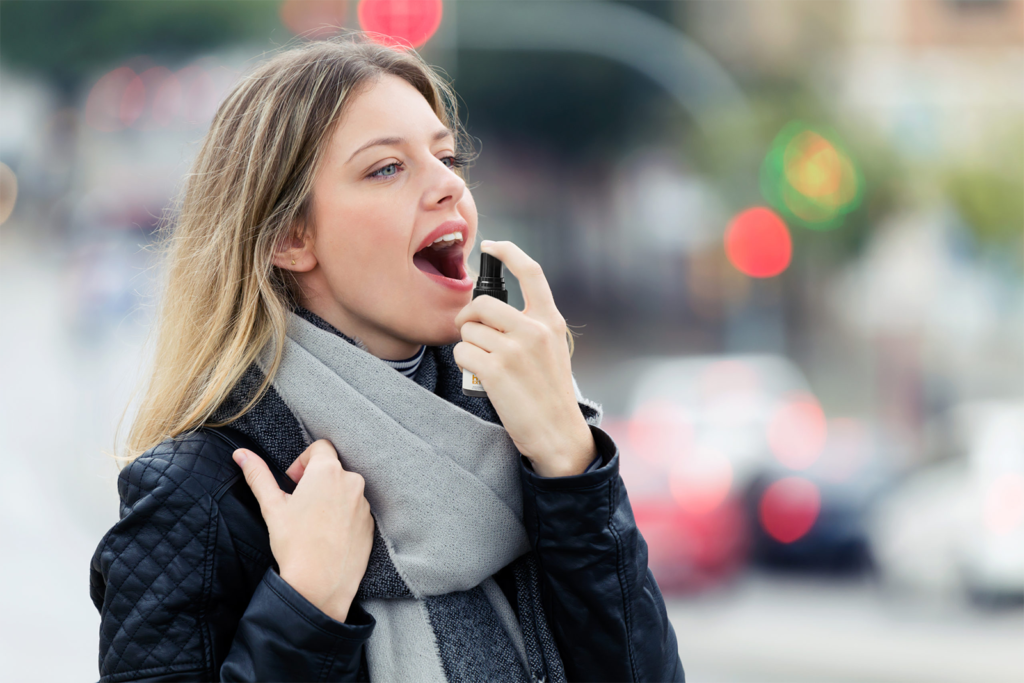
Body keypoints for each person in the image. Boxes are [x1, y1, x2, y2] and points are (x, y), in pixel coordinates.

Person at [90, 34, 685, 683]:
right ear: (291, 236)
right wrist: (304, 610)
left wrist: (572, 464)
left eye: (447, 157)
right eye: (386, 168)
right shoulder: (196, 493)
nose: (449, 187)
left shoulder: (520, 436)